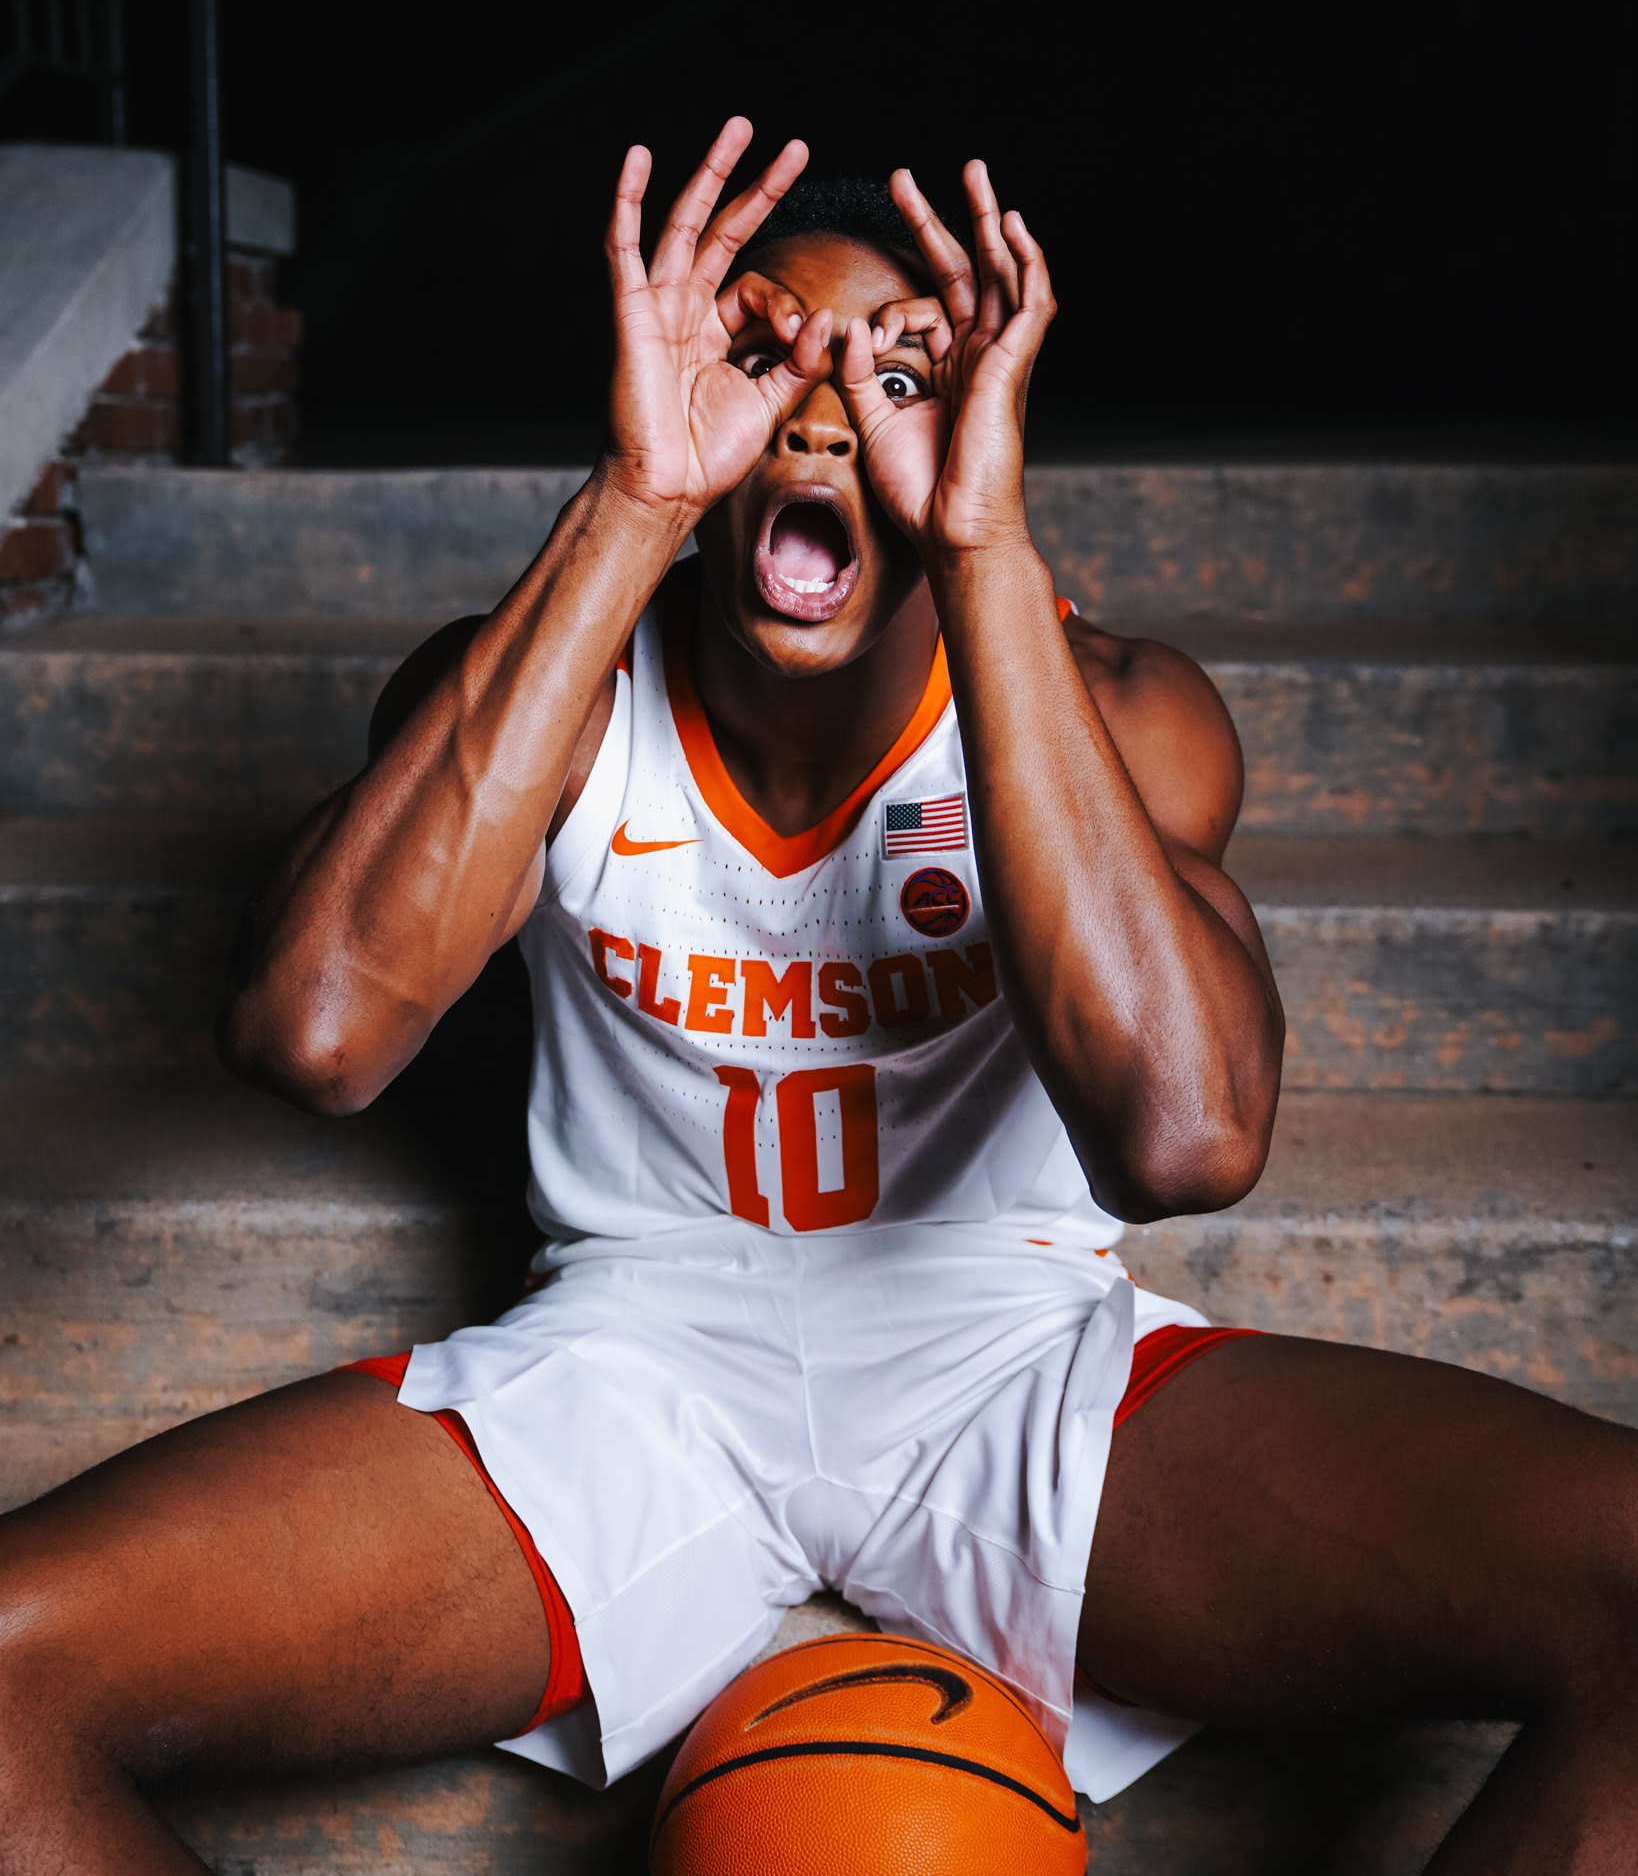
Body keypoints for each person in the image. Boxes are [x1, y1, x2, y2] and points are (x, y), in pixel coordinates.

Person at [1, 119, 1633, 1875]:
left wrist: (983, 548)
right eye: (763, 356)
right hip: (633, 1364)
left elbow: (1184, 1135)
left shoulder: (1113, 708)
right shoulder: (542, 688)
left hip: (1007, 1353)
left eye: (897, 375)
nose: (824, 414)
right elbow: (312, 1032)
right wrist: (634, 500)